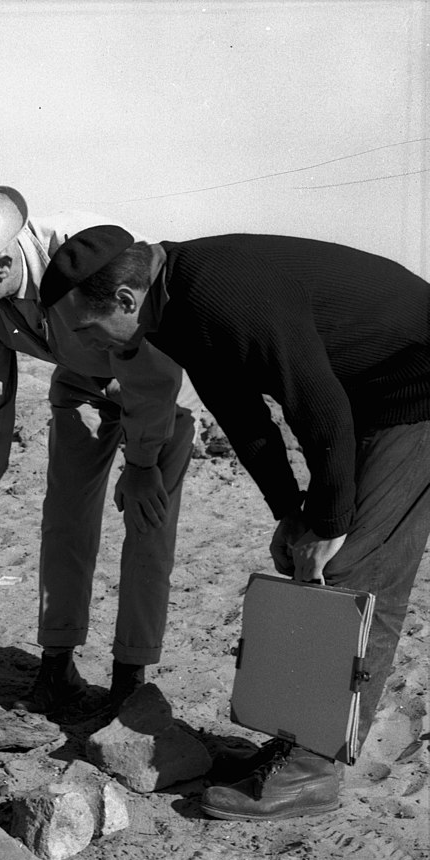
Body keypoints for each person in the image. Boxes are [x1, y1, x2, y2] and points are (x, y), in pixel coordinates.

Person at [39, 225, 430, 820]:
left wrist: (326, 520)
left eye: (90, 331)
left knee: (352, 570)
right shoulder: (175, 308)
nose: (91, 349)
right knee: (320, 559)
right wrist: (290, 514)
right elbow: (245, 420)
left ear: (124, 300)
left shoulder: (219, 291)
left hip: (416, 385)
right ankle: (303, 741)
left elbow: (318, 408)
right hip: (372, 395)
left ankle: (310, 770)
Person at [0, 185, 199, 718]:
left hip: (158, 388)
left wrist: (142, 464)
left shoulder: (89, 256)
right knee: (65, 522)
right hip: (82, 384)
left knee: (148, 527)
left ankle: (130, 679)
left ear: (4, 260)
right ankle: (57, 669)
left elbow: (151, 370)